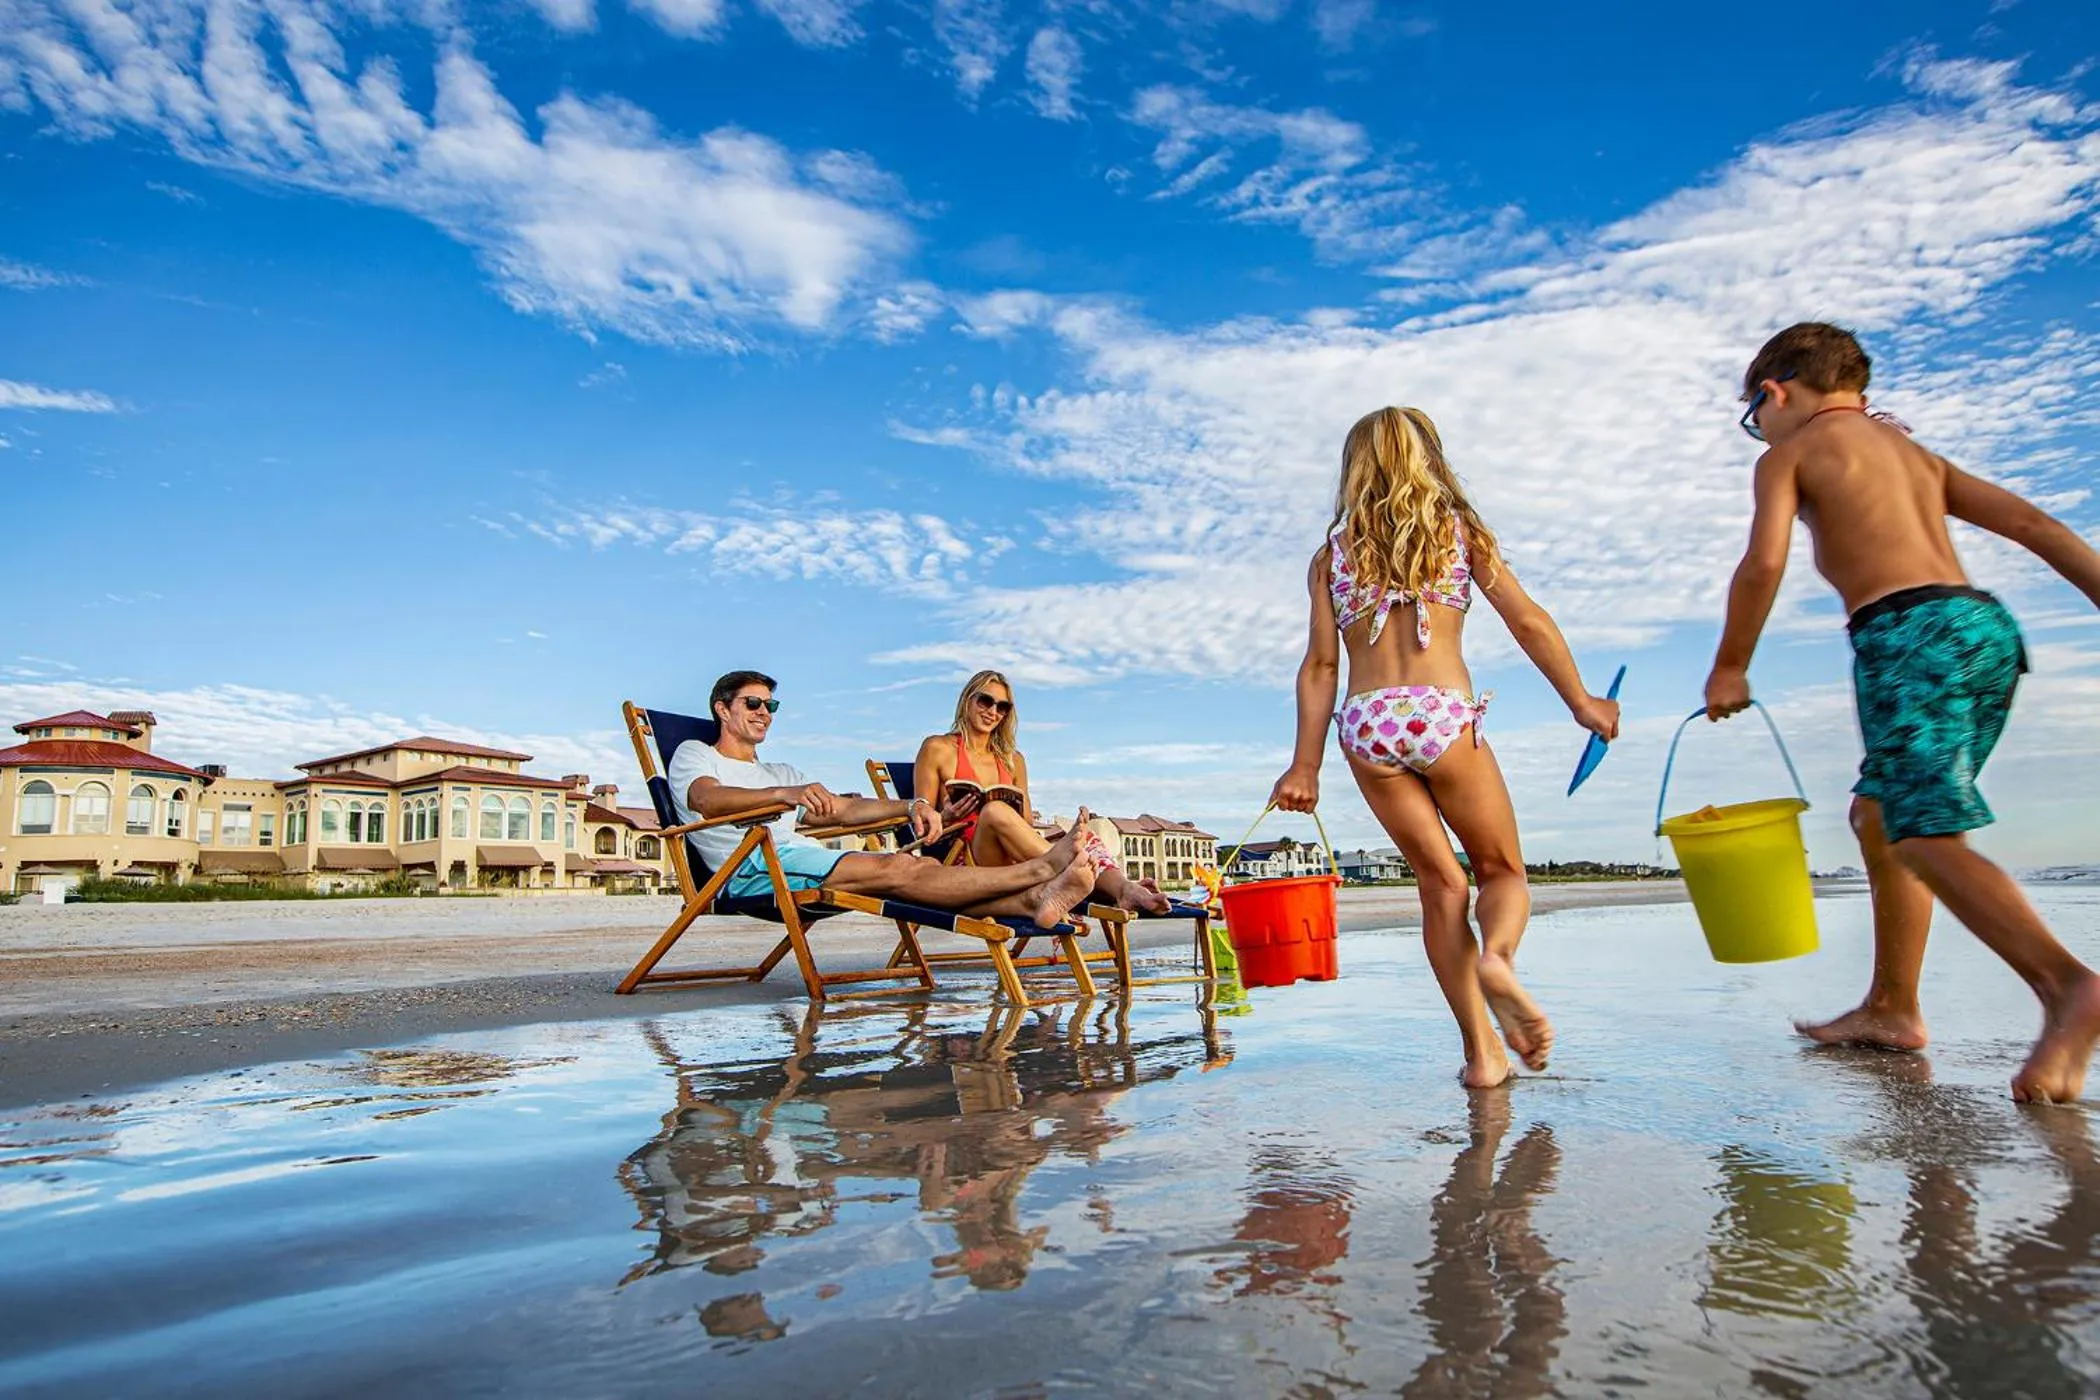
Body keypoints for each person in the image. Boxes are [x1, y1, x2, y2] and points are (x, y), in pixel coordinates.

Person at [1704, 322, 2100, 1103]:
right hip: (1984, 632)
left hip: (1907, 635)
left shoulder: (1789, 455)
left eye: (1755, 413)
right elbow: (2036, 527)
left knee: (1921, 828)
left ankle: (2068, 988)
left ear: (1775, 393)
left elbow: (1766, 561)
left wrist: (1731, 664)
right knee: (1881, 815)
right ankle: (1892, 1006)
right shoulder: (1914, 457)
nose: (1760, 429)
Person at [1268, 407, 1620, 1088]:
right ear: (1431, 458)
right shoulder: (1459, 536)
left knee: (1440, 884)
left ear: (1355, 470)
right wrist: (1581, 701)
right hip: (1443, 719)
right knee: (1500, 872)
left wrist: (1304, 763)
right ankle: (1499, 961)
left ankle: (1483, 1054)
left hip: (1368, 726)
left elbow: (1319, 667)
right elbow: (1528, 620)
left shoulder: (1332, 557)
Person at [668, 670, 1102, 929]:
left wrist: (912, 806)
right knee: (900, 868)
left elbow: (845, 810)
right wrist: (785, 795)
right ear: (722, 710)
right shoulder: (696, 754)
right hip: (753, 869)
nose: (765, 712)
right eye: (753, 703)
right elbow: (708, 800)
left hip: (799, 859)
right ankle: (1043, 868)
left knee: (920, 873)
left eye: (770, 705)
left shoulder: (780, 771)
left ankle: (1031, 901)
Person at [912, 669, 1171, 914]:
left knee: (1085, 837)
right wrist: (945, 816)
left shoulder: (1013, 759)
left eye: (1003, 707)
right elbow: (921, 825)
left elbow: (1024, 825)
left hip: (1015, 860)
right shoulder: (938, 748)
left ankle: (1124, 889)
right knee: (994, 811)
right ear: (968, 699)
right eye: (985, 701)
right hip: (964, 863)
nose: (993, 711)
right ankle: (1070, 869)